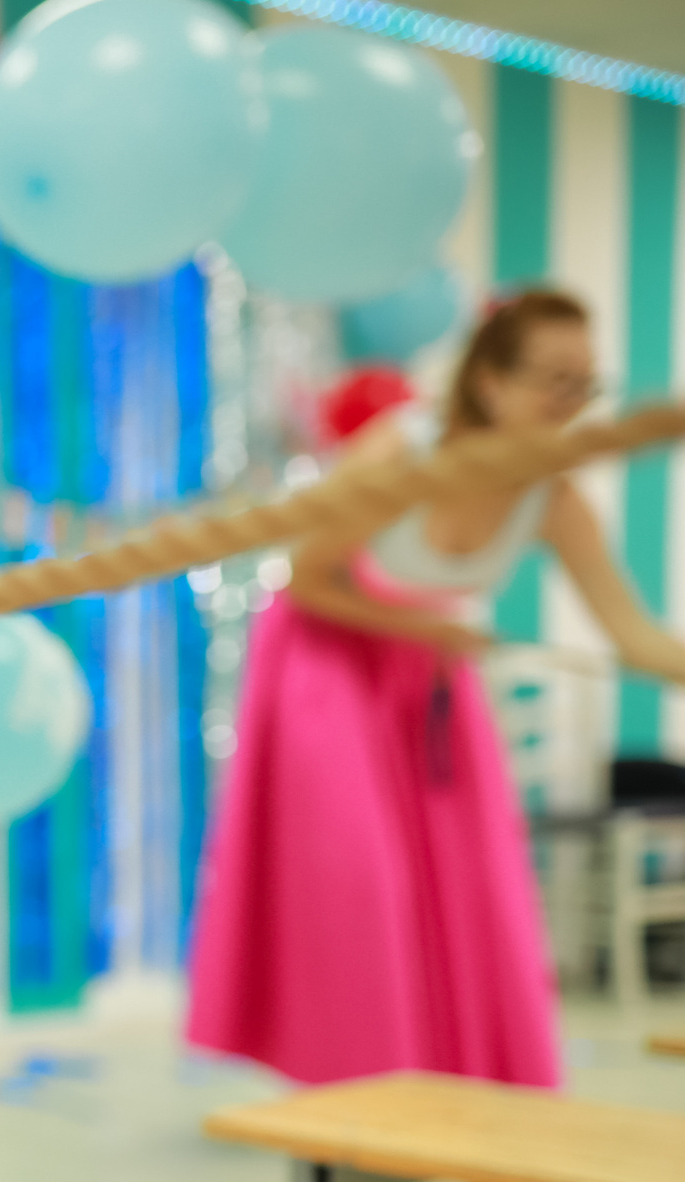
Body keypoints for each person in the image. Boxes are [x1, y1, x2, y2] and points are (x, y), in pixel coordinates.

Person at [189, 289, 685, 1086]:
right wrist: (428, 631)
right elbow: (309, 579)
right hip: (329, 658)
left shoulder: (553, 498)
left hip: (426, 681)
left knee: (466, 880)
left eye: (585, 384)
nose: (570, 403)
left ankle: (435, 1071)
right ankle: (346, 1072)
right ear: (490, 380)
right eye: (553, 379)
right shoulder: (402, 453)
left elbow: (633, 632)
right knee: (358, 875)